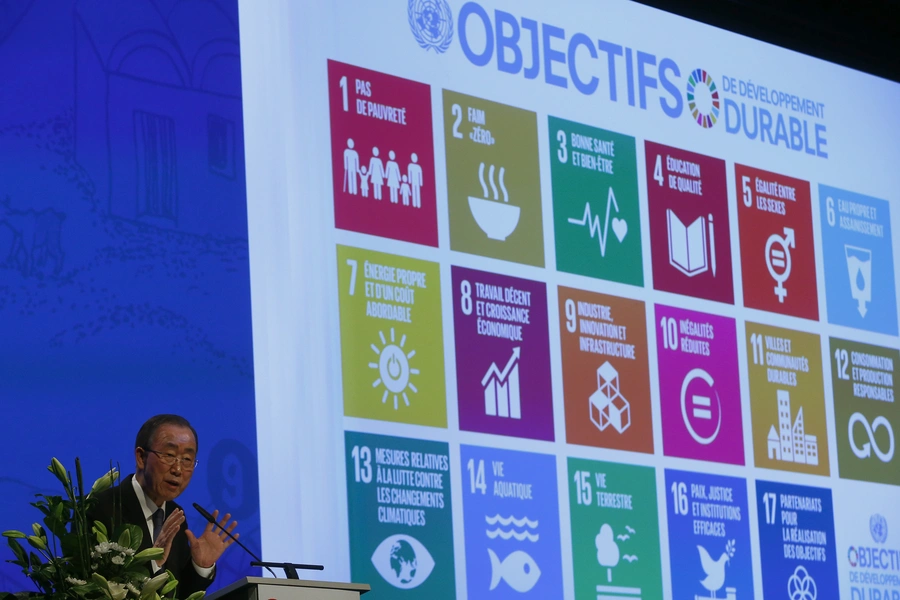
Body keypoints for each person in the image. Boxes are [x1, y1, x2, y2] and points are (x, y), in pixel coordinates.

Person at [89, 415, 238, 598]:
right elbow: (93, 586)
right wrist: (152, 564)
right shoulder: (102, 507)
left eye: (187, 459)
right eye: (169, 455)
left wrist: (201, 566)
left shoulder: (176, 516)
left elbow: (179, 594)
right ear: (141, 457)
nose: (177, 469)